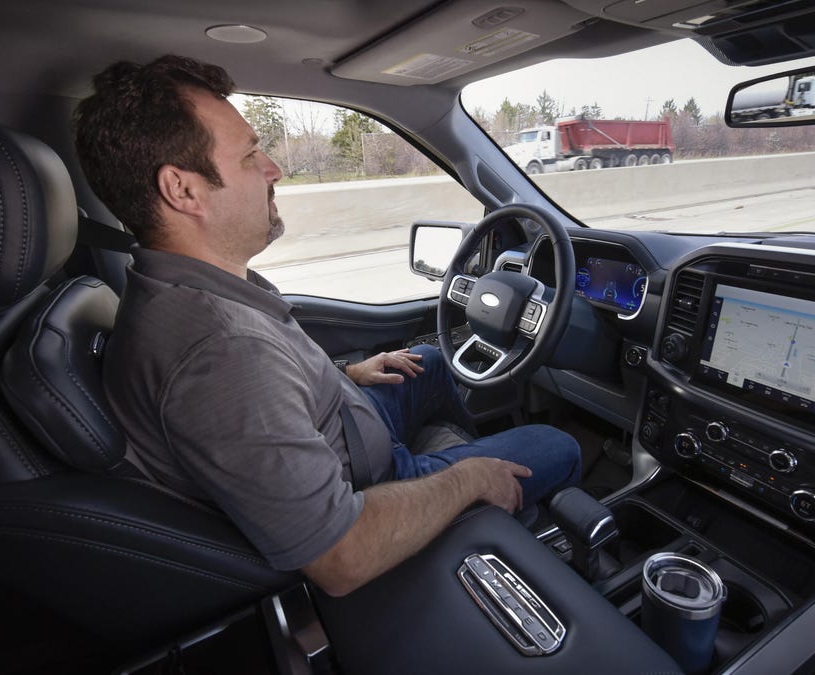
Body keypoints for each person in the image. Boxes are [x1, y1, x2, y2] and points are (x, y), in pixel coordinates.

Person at [73, 55, 581, 596]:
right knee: (559, 445)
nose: (274, 168)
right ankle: (491, 525)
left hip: (342, 435)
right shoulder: (220, 352)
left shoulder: (185, 289)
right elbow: (340, 553)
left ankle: (476, 494)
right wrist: (466, 480)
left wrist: (344, 377)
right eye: (250, 155)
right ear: (183, 190)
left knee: (429, 363)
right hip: (367, 490)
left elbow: (266, 392)